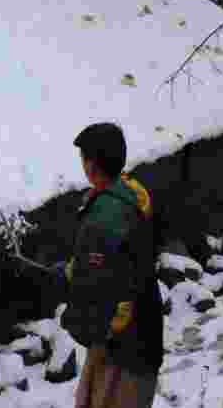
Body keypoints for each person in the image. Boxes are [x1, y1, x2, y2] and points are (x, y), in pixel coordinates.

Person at [54, 122, 164, 408]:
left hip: (120, 342)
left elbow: (95, 283)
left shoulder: (104, 217)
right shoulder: (133, 195)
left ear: (91, 166)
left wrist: (75, 317)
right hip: (145, 324)